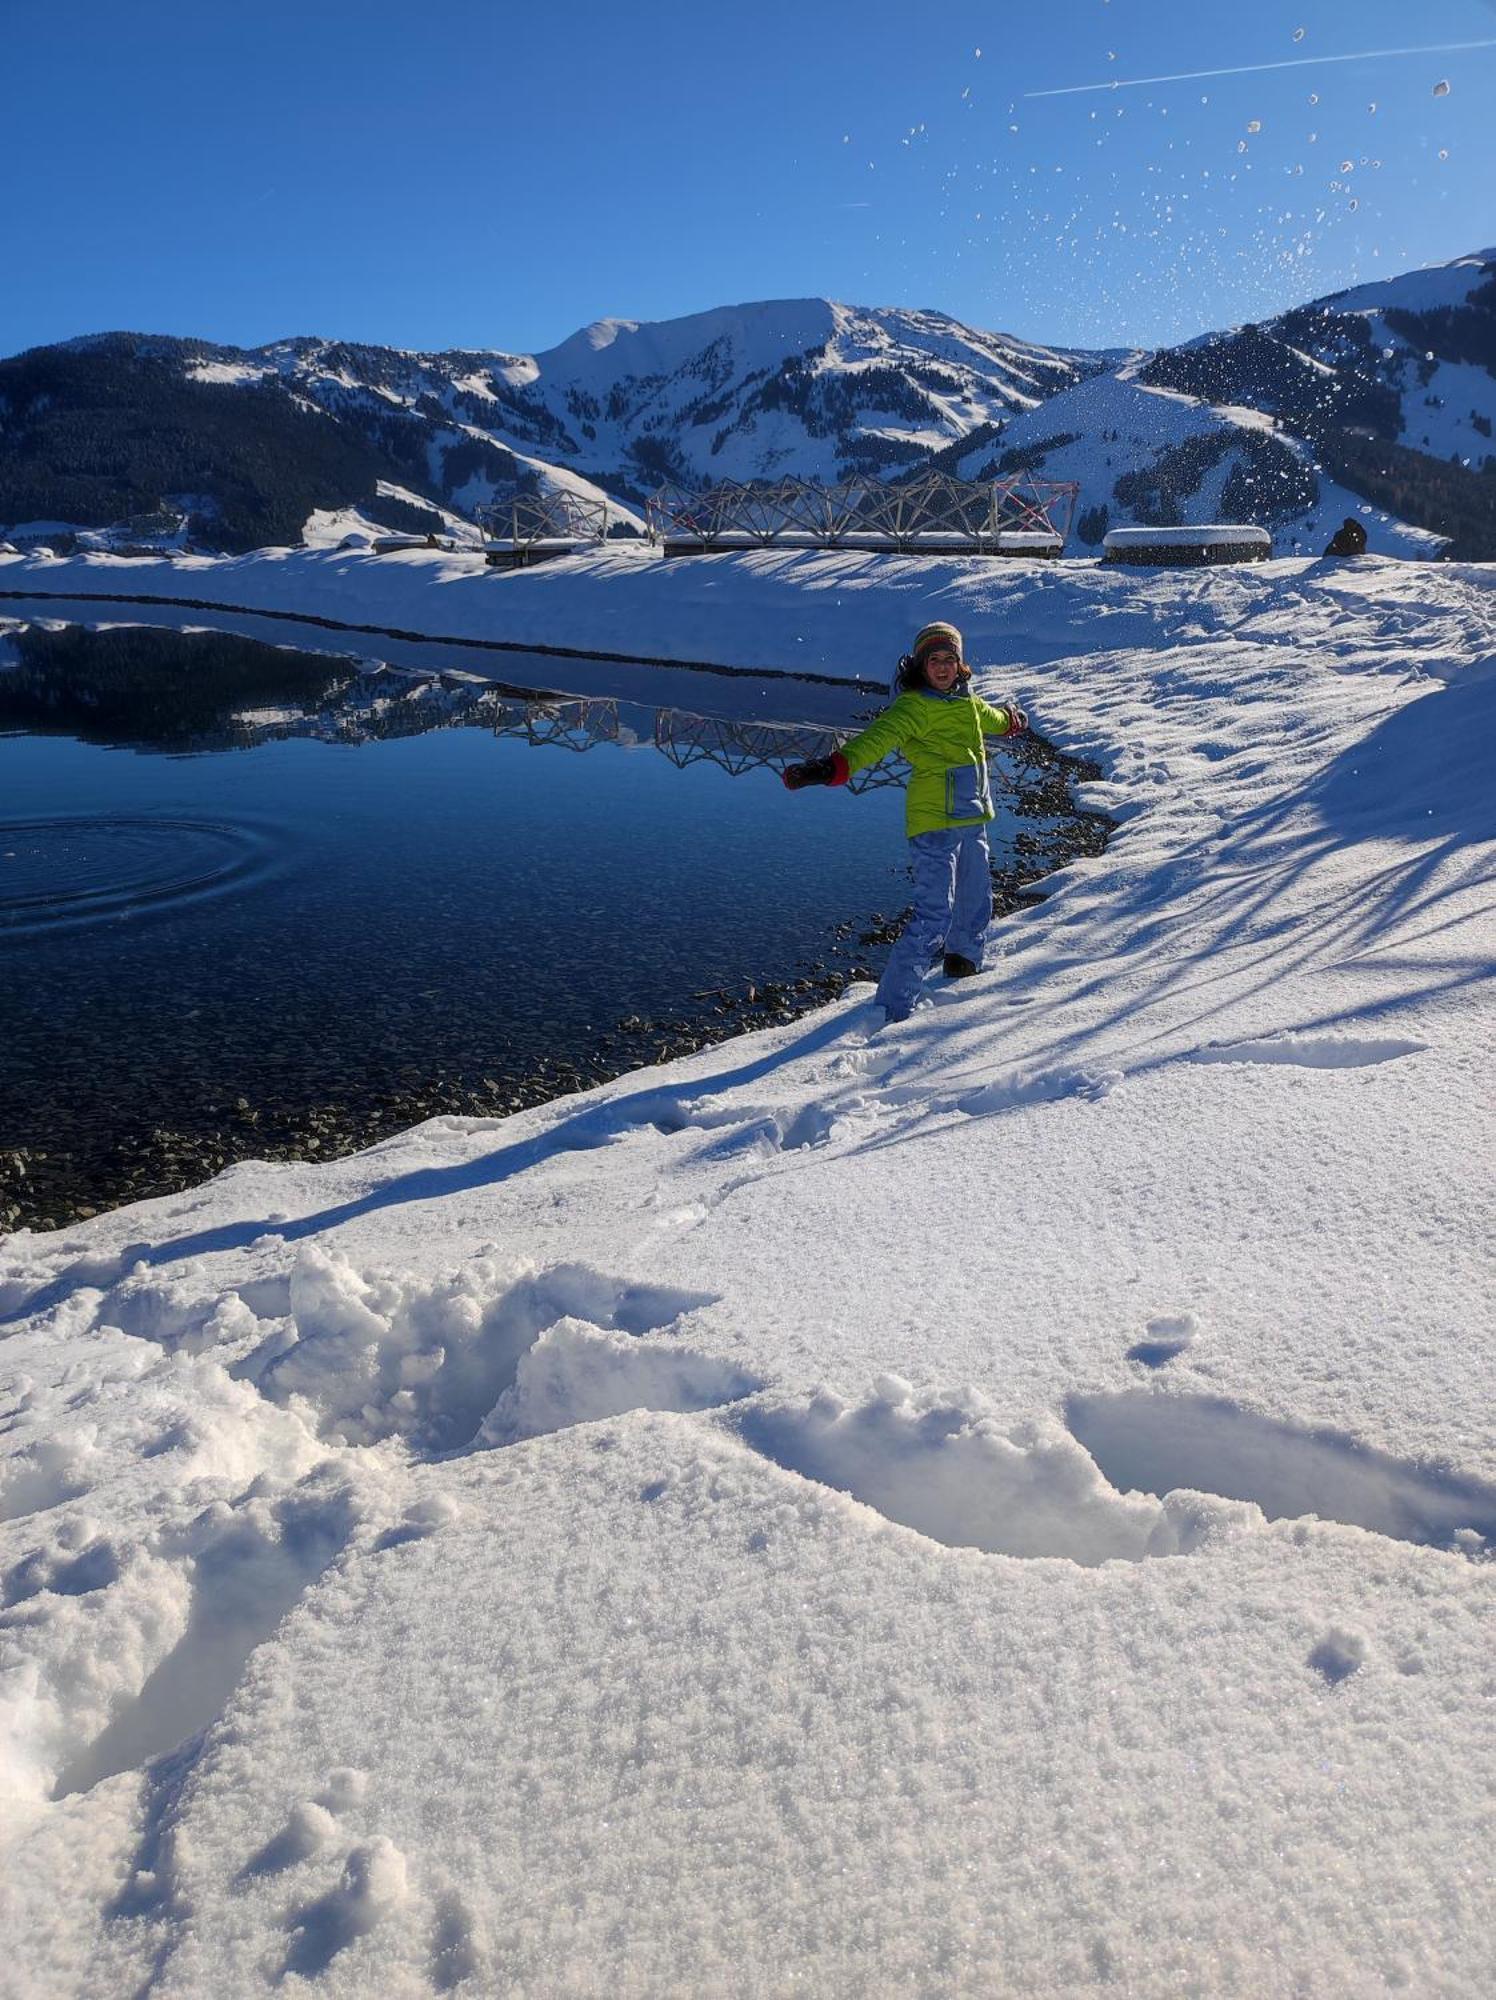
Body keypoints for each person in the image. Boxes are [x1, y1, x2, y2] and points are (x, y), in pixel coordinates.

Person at [782, 621, 1027, 1023]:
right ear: (921, 665)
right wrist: (830, 768)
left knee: (976, 900)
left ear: (960, 664)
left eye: (951, 659)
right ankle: (892, 1008)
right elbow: (877, 739)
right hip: (933, 823)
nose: (944, 667)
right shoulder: (913, 706)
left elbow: (995, 720)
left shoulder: (967, 701)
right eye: (935, 660)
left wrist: (1012, 719)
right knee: (935, 915)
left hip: (972, 818)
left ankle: (963, 965)